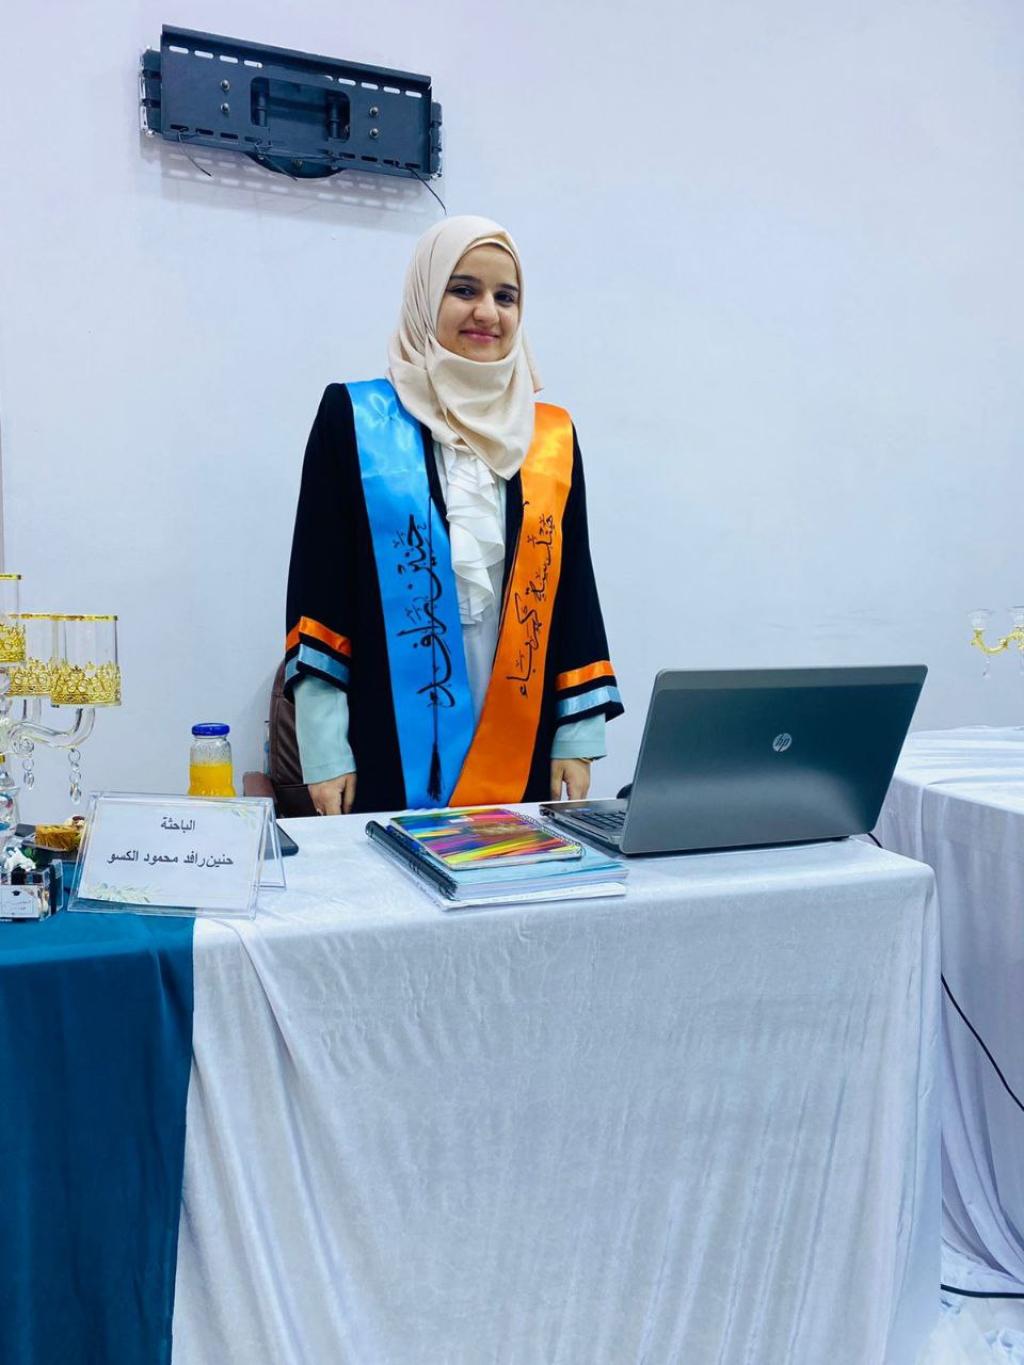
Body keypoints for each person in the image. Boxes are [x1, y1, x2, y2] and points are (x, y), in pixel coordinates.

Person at [284, 215, 623, 816]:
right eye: (463, 289)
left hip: (517, 726)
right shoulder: (355, 419)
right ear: (425, 297)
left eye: (506, 296)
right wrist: (325, 746)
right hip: (385, 731)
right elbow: (320, 589)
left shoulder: (550, 437)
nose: (487, 312)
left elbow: (573, 589)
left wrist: (576, 734)